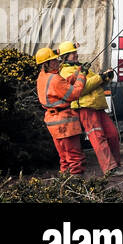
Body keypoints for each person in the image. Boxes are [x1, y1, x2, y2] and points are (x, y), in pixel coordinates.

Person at [57, 41, 123, 176]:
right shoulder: (65, 72)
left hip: (97, 106)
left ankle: (116, 166)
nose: (76, 55)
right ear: (65, 56)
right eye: (72, 53)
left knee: (112, 134)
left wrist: (106, 77)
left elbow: (95, 80)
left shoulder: (81, 68)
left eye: (75, 52)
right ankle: (110, 169)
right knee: (97, 137)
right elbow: (82, 88)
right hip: (84, 108)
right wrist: (100, 78)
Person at [35, 46, 106, 176]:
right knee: (75, 158)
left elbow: (63, 84)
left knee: (64, 159)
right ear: (47, 64)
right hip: (64, 122)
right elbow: (74, 93)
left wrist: (78, 72)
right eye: (54, 60)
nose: (57, 62)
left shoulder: (43, 77)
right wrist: (83, 76)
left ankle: (64, 186)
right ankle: (76, 185)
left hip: (53, 121)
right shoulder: (55, 79)